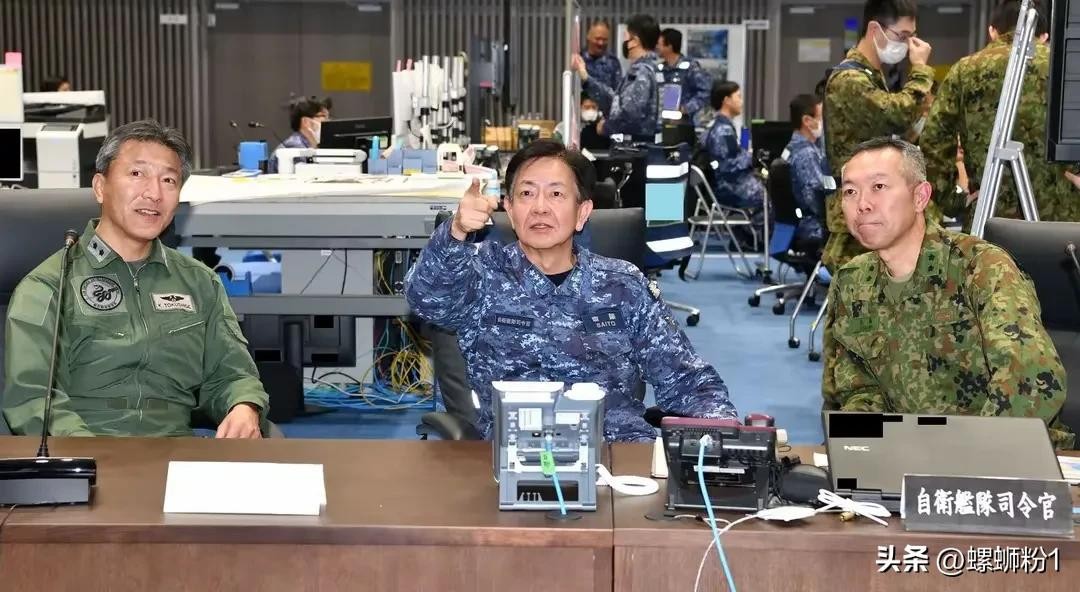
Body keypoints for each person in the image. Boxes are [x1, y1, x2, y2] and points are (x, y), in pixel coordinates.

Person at [404, 139, 737, 442]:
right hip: (514, 454)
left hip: (616, 453)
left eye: (556, 194)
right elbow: (427, 299)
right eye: (527, 194)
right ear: (510, 208)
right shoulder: (481, 274)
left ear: (582, 213)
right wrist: (456, 232)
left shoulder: (624, 285)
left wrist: (724, 434)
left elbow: (687, 380)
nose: (540, 207)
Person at [3, 120, 269, 438]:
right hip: (85, 450)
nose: (153, 193)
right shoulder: (49, 285)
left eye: (168, 180)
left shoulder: (199, 282)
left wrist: (244, 406)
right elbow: (34, 399)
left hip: (177, 450)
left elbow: (232, 373)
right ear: (100, 187)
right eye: (136, 173)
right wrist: (94, 456)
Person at [822, 137, 1071, 447]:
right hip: (909, 456)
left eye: (879, 187)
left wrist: (963, 458)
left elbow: (1030, 382)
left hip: (1005, 454)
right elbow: (857, 390)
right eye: (850, 192)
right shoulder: (851, 282)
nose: (862, 204)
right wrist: (861, 450)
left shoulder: (981, 267)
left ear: (920, 197)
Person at [921, 0, 1080, 227]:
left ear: (992, 31)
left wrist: (953, 200)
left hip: (988, 214)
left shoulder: (965, 69)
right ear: (1045, 36)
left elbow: (933, 140)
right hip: (1060, 220)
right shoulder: (1067, 69)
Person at [821, 0, 934, 273]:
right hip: (859, 209)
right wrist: (920, 70)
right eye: (902, 36)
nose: (909, 46)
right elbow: (897, 113)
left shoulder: (871, 76)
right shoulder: (850, 79)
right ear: (875, 29)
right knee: (859, 291)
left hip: (874, 202)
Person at [571, 14, 660, 142]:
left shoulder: (641, 72)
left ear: (635, 41)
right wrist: (586, 78)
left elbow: (629, 115)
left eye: (626, 36)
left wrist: (606, 127)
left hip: (634, 147)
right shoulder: (651, 68)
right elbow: (617, 101)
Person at [701, 81, 765, 213]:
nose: (741, 102)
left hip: (728, 184)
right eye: (738, 97)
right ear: (727, 101)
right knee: (766, 196)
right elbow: (729, 166)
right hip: (728, 187)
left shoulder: (721, 126)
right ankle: (756, 226)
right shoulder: (723, 130)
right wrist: (753, 157)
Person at [784, 94, 828, 243]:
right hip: (813, 226)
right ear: (807, 121)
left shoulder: (792, 147)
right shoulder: (806, 154)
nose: (825, 122)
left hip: (802, 223)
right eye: (821, 117)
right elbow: (815, 199)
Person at [656, 28, 713, 125]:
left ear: (669, 46)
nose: (656, 47)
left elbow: (705, 92)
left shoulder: (690, 67)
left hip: (685, 124)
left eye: (659, 44)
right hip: (662, 123)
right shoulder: (659, 69)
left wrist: (685, 109)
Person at [268, 95, 332, 173]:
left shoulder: (311, 144)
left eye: (328, 117)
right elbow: (315, 174)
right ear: (306, 121)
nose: (329, 121)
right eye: (323, 116)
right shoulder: (293, 147)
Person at [580, 21, 622, 92]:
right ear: (588, 37)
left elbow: (617, 91)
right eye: (597, 39)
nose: (601, 43)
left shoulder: (613, 62)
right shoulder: (579, 60)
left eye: (604, 40)